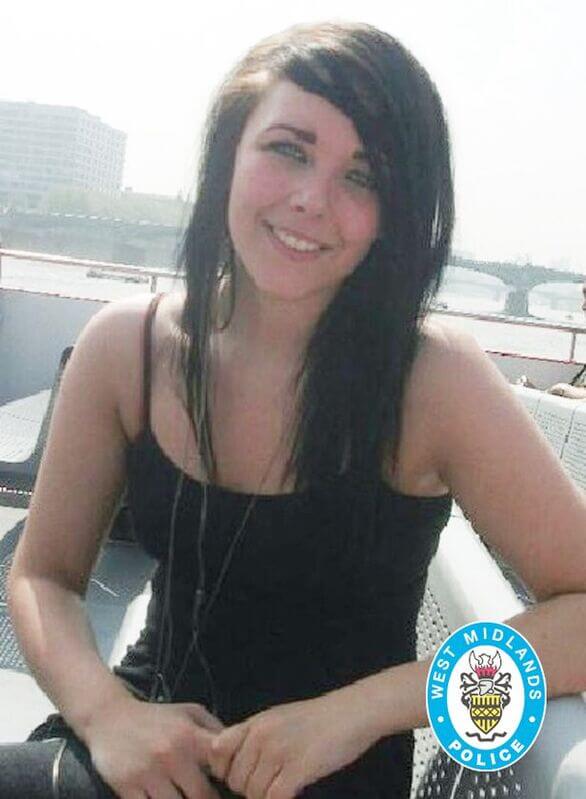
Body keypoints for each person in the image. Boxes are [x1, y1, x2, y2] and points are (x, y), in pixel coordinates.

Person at [3, 20, 586, 799]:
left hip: (327, 776)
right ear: (229, 154)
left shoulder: (431, 378)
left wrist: (359, 710)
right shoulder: (128, 347)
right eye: (288, 149)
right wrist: (107, 714)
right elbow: (44, 575)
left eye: (363, 175)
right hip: (141, 748)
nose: (312, 199)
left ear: (396, 211)